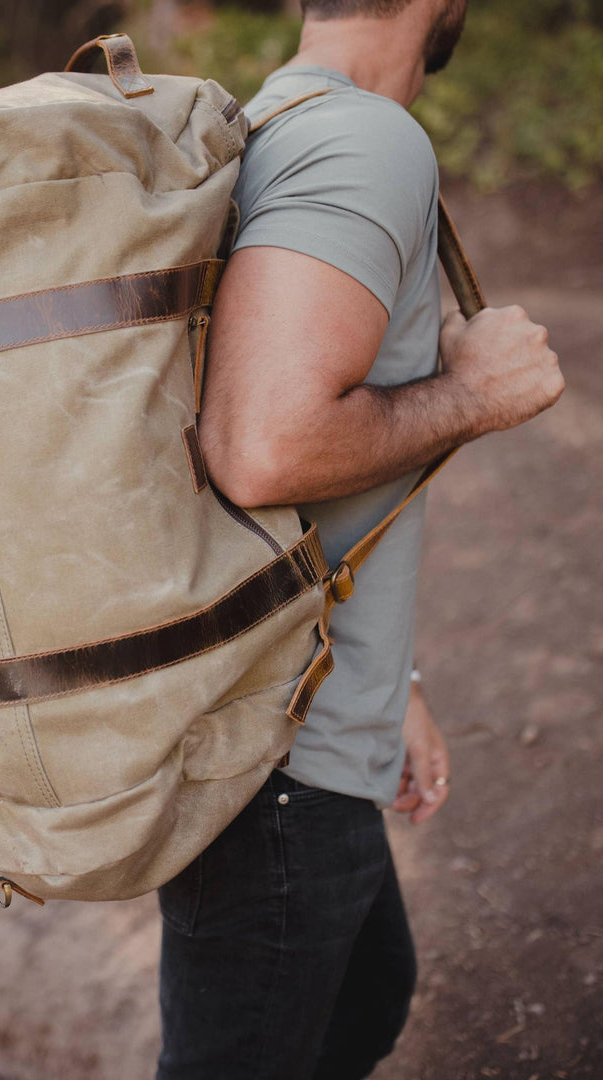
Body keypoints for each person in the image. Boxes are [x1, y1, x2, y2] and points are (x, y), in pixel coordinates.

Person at [155, 1, 565, 1077]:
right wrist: (473, 395)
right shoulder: (365, 138)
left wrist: (399, 679)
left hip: (286, 716)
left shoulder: (267, 121)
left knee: (368, 996)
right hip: (279, 769)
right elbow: (260, 448)